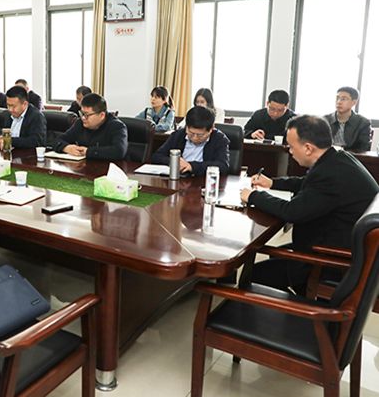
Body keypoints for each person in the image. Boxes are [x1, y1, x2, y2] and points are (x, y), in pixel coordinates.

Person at [241, 115, 379, 291]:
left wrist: (253, 196)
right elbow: (308, 183)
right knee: (274, 257)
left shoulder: (329, 175)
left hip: (331, 261)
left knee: (253, 274)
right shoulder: (337, 158)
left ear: (308, 148)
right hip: (343, 246)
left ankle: (297, 303)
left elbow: (292, 212)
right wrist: (273, 183)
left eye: (291, 147)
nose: (289, 151)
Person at [152, 106, 230, 176]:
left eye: (200, 135)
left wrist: (192, 166)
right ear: (186, 127)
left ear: (211, 129)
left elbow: (223, 166)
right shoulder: (178, 135)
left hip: (203, 181)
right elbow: (157, 156)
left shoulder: (219, 139)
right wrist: (175, 161)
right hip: (179, 179)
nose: (195, 138)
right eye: (191, 133)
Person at [53, 93, 127, 160]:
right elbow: (57, 140)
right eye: (82, 113)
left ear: (102, 115)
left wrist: (88, 151)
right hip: (83, 167)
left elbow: (119, 151)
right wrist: (66, 148)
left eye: (87, 115)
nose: (83, 118)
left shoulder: (117, 126)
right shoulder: (80, 123)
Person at [323, 86, 371, 152]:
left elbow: (363, 148)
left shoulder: (363, 123)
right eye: (337, 98)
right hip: (326, 155)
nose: (339, 102)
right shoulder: (325, 120)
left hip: (350, 156)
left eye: (343, 99)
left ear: (354, 102)